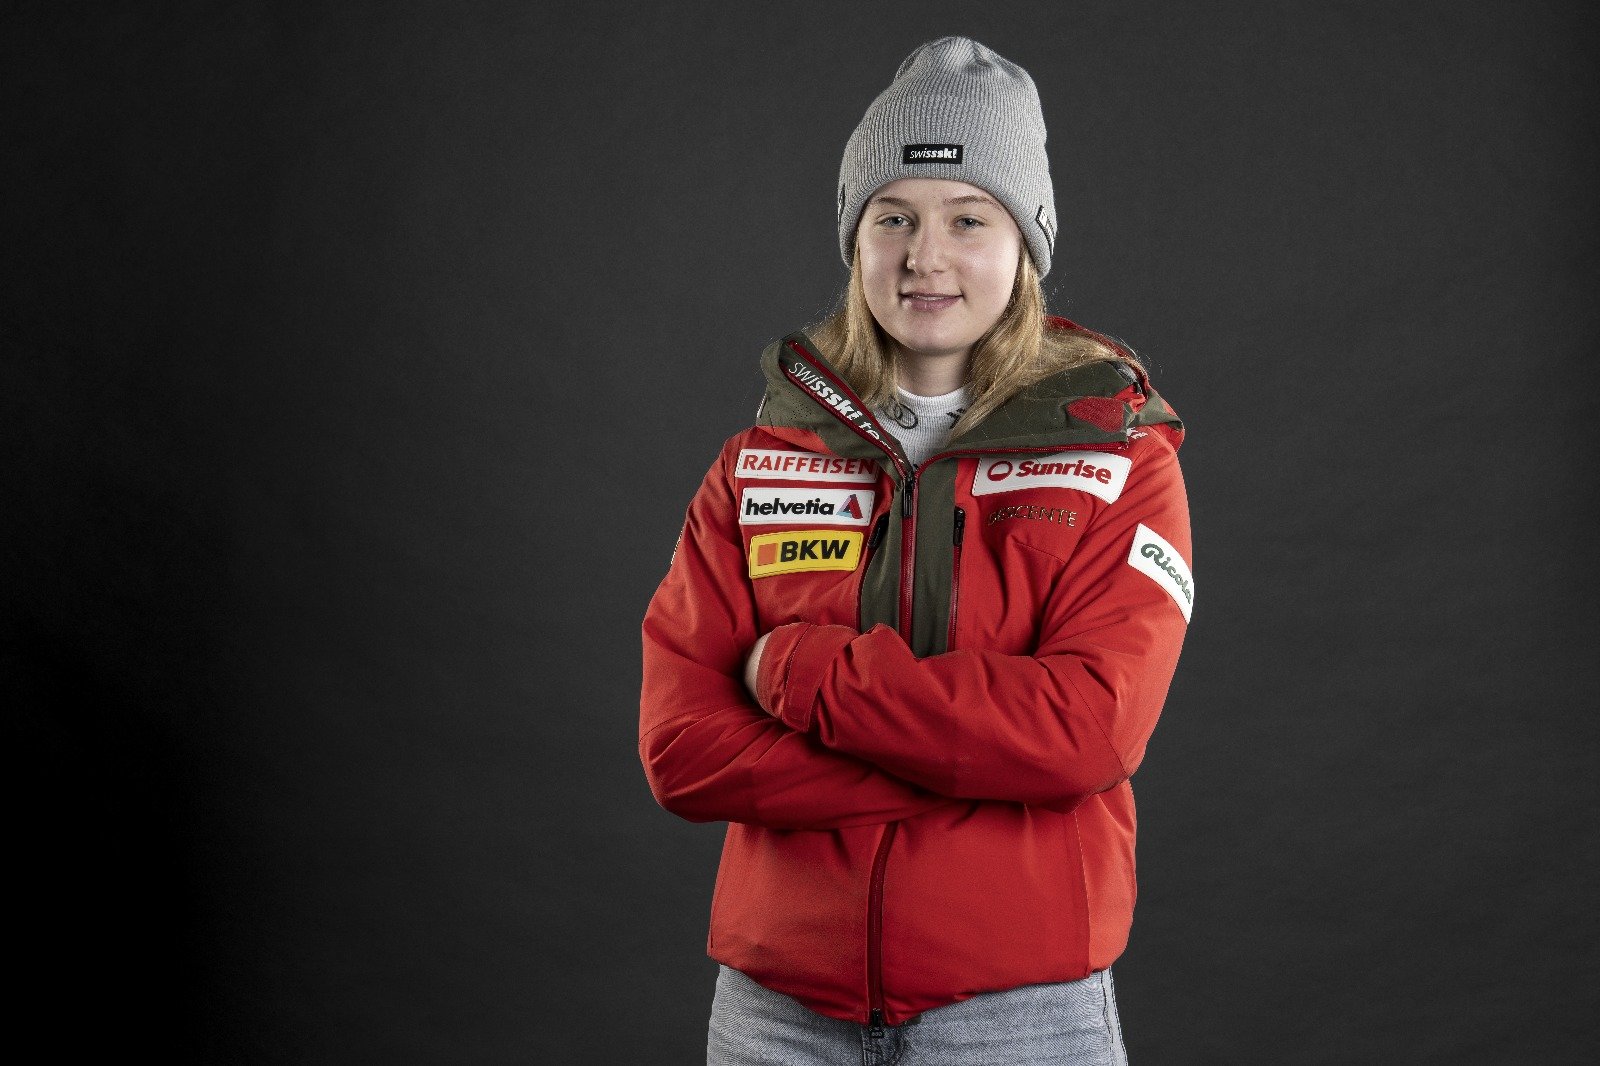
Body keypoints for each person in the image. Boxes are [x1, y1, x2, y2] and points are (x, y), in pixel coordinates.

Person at [640, 36, 1193, 1065]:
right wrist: (982, 763)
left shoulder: (1120, 460)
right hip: (775, 1016)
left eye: (967, 219)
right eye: (892, 216)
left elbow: (1088, 733)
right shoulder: (758, 463)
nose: (924, 256)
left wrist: (802, 673)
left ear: (1025, 243)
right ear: (854, 239)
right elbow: (684, 751)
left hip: (1020, 1015)